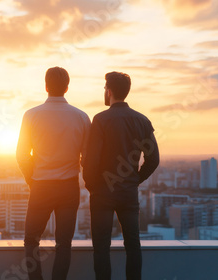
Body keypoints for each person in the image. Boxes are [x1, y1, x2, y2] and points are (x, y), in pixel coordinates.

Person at [83, 72, 160, 280]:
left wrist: (93, 186)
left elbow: (91, 161)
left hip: (102, 193)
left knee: (101, 247)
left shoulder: (100, 120)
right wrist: (134, 179)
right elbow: (153, 160)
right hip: (128, 193)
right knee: (133, 245)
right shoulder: (142, 121)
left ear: (108, 91)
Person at [16, 66, 91, 280]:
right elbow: (86, 158)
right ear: (67, 87)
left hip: (40, 184)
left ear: (46, 86)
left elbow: (21, 154)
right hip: (68, 186)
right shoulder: (82, 117)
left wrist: (32, 179)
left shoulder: (31, 115)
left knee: (31, 239)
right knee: (64, 242)